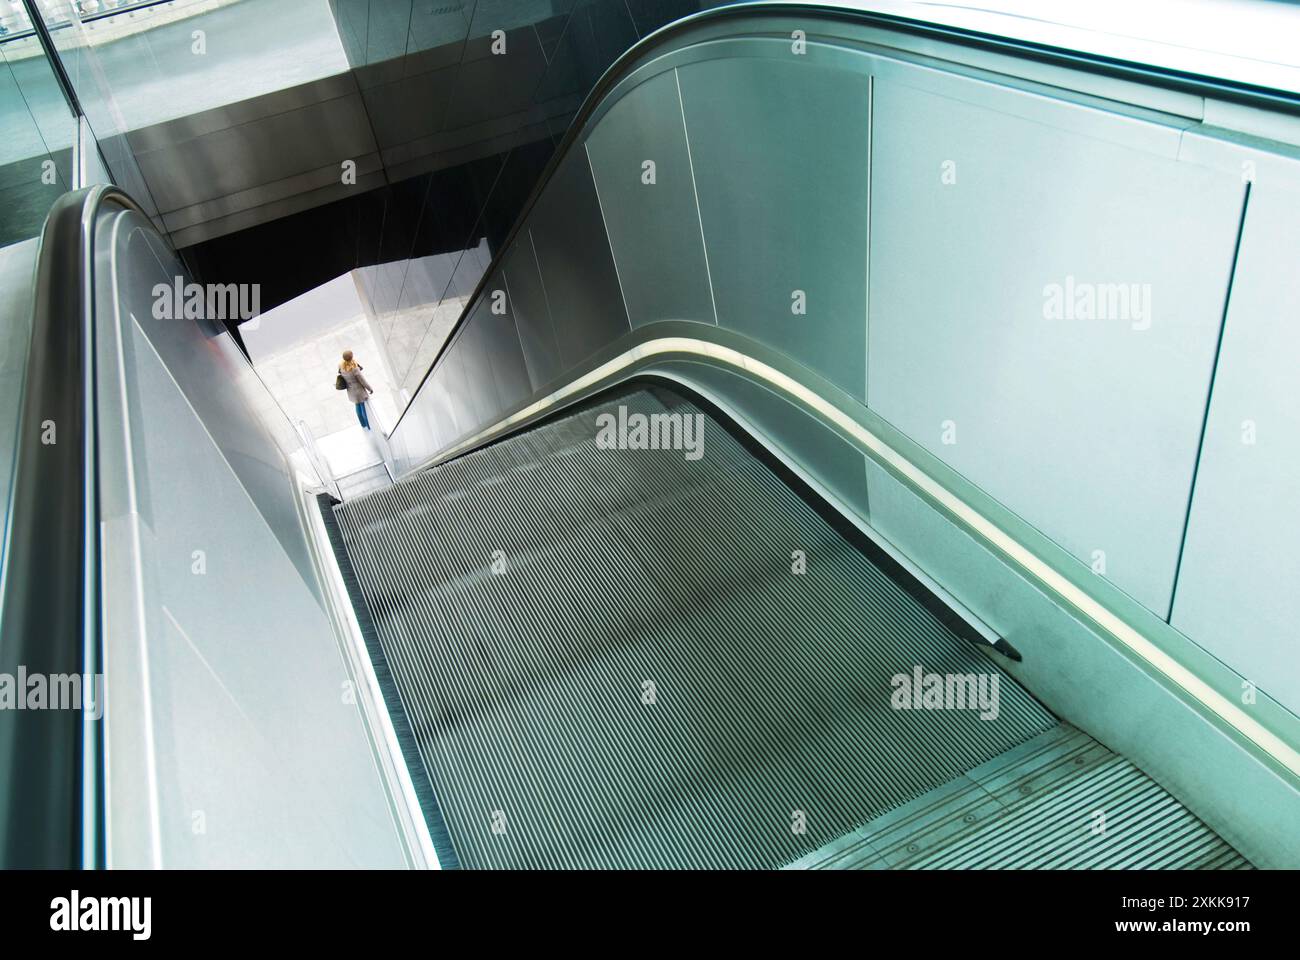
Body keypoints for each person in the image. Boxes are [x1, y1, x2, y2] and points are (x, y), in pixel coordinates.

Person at [339, 350, 375, 430]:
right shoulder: (354, 369)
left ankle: (363, 424)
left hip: (351, 390)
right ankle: (368, 425)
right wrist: (370, 389)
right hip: (359, 391)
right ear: (351, 357)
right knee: (363, 408)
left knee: (357, 405)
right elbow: (362, 381)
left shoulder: (341, 366)